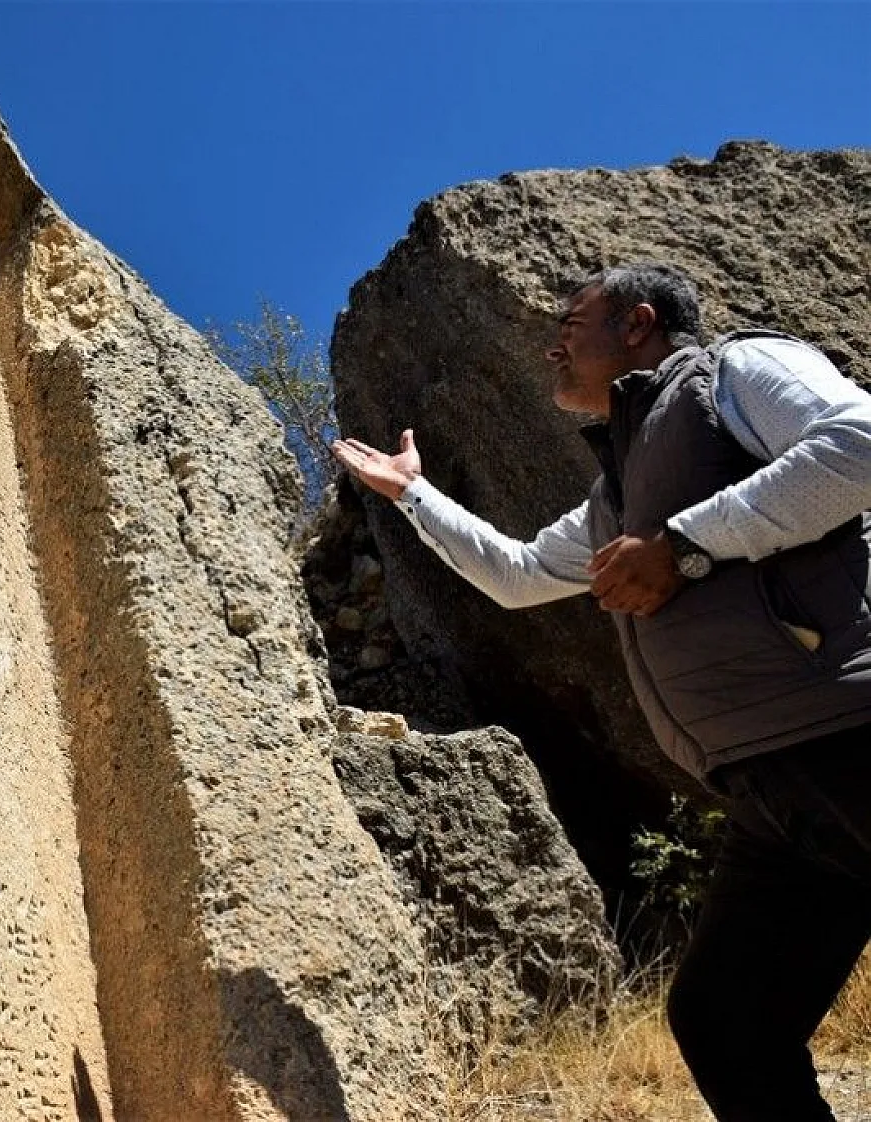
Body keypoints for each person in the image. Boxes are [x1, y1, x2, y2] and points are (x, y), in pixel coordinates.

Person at [332, 261, 871, 1122]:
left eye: (570, 320)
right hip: (768, 788)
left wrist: (684, 545)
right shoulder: (614, 490)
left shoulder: (739, 371)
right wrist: (414, 495)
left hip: (849, 731)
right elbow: (517, 575)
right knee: (726, 1020)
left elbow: (858, 446)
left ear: (638, 323)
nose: (553, 344)